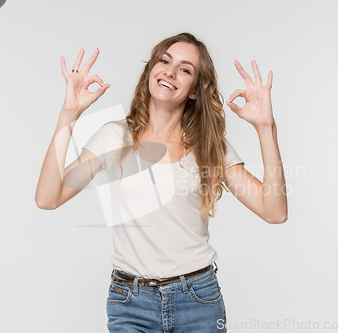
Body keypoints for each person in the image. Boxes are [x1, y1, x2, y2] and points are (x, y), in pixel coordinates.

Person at [35, 32, 287, 332]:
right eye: (164, 60)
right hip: (130, 303)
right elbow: (48, 198)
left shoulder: (209, 146)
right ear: (151, 71)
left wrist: (266, 128)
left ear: (195, 90)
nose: (170, 70)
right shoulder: (114, 136)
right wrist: (69, 114)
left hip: (198, 302)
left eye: (185, 68)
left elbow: (274, 212)